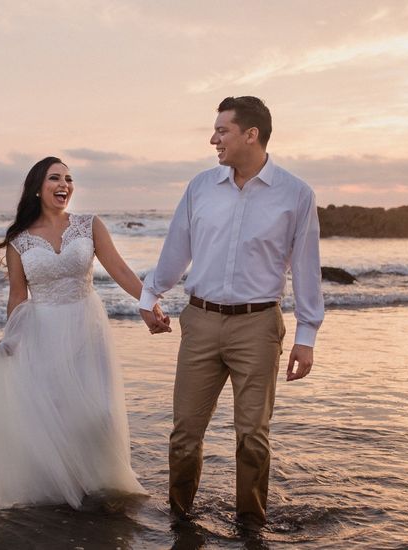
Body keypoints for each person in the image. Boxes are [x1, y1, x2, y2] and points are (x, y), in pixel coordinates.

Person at [139, 96, 324, 526]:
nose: (213, 139)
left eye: (222, 131)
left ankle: (250, 526)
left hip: (259, 327)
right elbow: (175, 251)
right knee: (185, 435)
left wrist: (306, 336)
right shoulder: (200, 187)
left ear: (251, 134)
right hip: (199, 322)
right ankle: (179, 520)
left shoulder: (296, 195)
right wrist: (150, 297)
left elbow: (306, 269)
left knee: (253, 439)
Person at [0, 156, 163, 509]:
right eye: (54, 178)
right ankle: (64, 488)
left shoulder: (88, 225)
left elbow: (120, 270)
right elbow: (18, 295)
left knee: (98, 412)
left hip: (87, 326)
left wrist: (149, 303)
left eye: (68, 178)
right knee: (58, 412)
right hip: (43, 332)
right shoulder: (20, 241)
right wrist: (11, 339)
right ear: (37, 187)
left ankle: (100, 481)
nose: (64, 184)